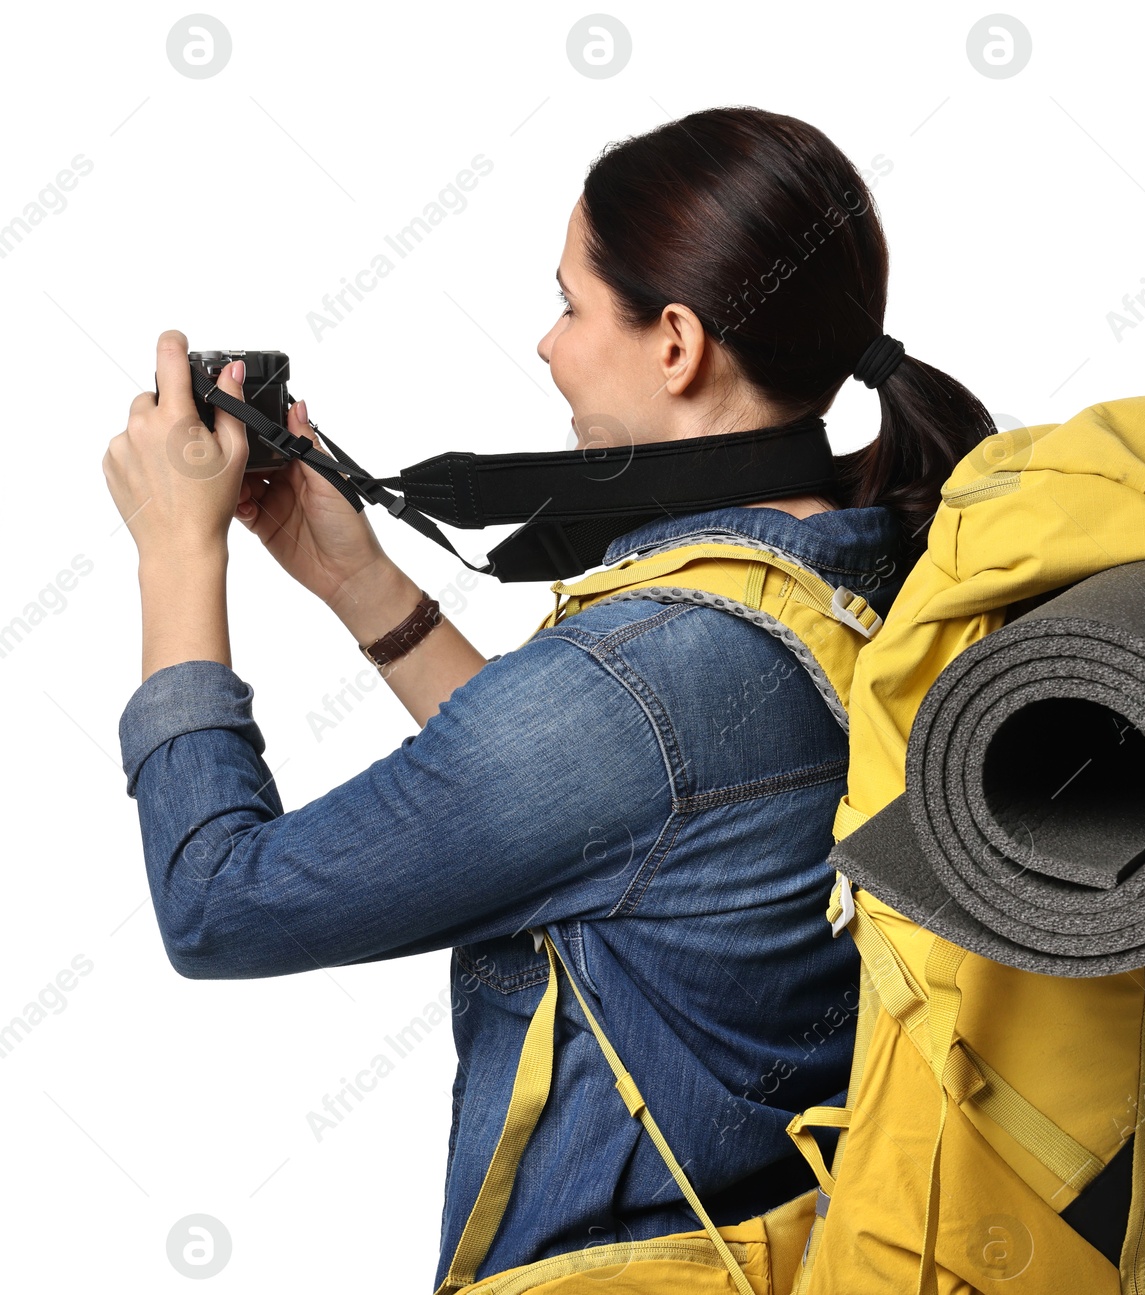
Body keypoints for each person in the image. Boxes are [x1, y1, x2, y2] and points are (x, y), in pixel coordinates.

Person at [102, 105, 997, 1283]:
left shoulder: (656, 667)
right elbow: (632, 814)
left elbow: (220, 904)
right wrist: (360, 582)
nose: (546, 343)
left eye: (572, 303)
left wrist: (178, 558)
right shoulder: (863, 562)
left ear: (675, 342)